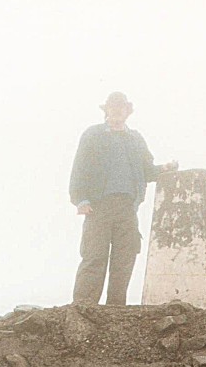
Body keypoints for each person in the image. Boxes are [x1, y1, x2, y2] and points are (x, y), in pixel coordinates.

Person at [69, 92, 177, 305]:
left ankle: (115, 308)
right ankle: (84, 306)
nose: (117, 110)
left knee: (125, 256)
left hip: (127, 207)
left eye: (121, 107)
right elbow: (79, 168)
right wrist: (80, 199)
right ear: (106, 110)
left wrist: (164, 169)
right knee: (94, 256)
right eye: (113, 106)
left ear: (128, 111)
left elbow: (147, 171)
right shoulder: (93, 135)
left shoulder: (136, 139)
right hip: (99, 206)